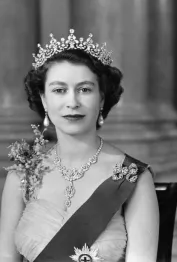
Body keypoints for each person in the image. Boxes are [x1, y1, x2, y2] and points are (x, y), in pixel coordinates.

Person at [0, 29, 159, 262]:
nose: (72, 102)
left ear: (102, 98)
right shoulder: (23, 175)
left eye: (84, 89)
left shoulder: (132, 177)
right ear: (44, 99)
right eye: (59, 90)